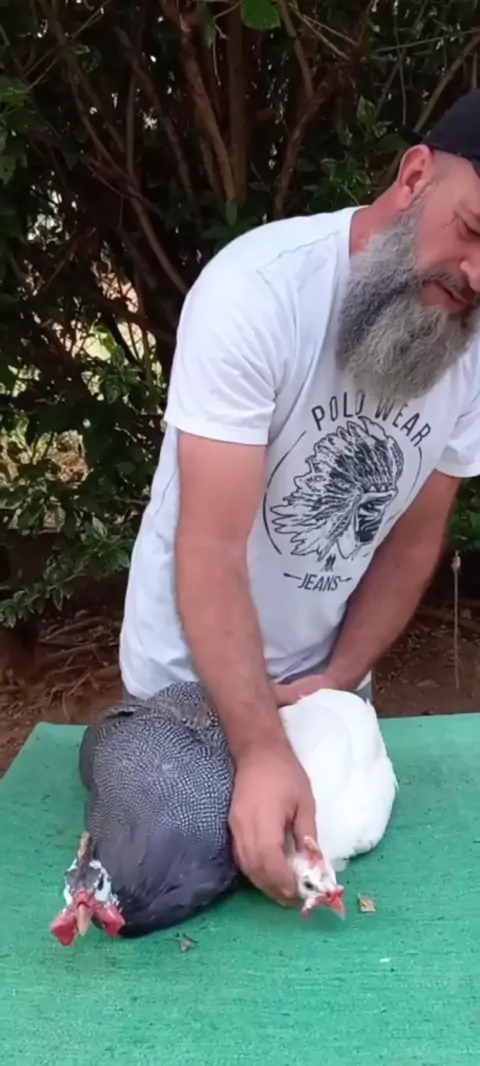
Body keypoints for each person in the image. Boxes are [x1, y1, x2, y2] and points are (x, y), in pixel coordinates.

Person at [120, 91, 480, 906]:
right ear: (415, 176)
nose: (476, 275)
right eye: (472, 229)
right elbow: (210, 549)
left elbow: (414, 542)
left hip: (321, 683)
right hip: (190, 683)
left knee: (329, 837)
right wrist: (259, 747)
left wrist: (337, 679)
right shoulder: (258, 291)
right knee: (174, 860)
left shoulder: (473, 349)